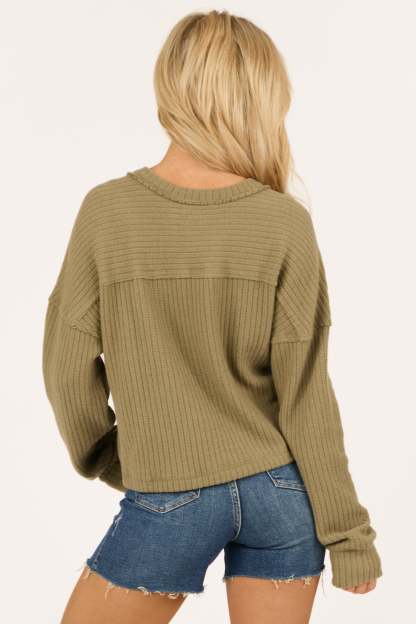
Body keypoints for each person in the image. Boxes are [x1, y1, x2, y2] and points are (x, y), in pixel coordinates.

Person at [42, 9, 382, 624]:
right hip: (282, 494)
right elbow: (307, 396)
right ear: (262, 98)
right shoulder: (284, 222)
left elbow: (68, 370)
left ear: (170, 88)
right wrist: (349, 536)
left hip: (169, 494)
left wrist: (113, 457)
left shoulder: (108, 213)